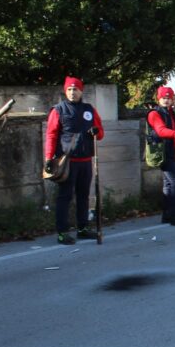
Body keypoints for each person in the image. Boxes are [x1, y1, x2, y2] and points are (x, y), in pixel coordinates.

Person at [45, 76, 104, 245]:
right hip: (67, 162)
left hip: (86, 160)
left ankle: (83, 229)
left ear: (81, 91)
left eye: (75, 89)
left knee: (83, 196)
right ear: (65, 91)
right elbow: (51, 135)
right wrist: (49, 158)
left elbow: (100, 134)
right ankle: (62, 232)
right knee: (65, 196)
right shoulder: (58, 110)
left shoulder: (89, 110)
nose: (72, 92)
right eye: (69, 89)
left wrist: (95, 131)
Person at [147, 86, 175, 226]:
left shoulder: (171, 113)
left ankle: (167, 215)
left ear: (173, 99)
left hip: (172, 151)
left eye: (169, 98)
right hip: (161, 152)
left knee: (169, 184)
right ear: (159, 99)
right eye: (164, 98)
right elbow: (161, 131)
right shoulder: (154, 113)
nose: (166, 100)